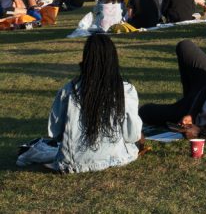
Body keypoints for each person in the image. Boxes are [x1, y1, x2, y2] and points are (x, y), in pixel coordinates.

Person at [47, 35, 143, 173]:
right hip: (116, 158)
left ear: (86, 59)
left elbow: (55, 132)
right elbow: (132, 135)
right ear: (113, 60)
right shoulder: (125, 90)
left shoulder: (69, 90)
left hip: (73, 163)